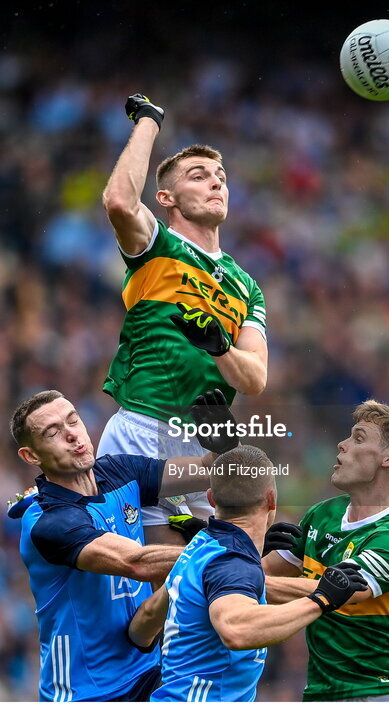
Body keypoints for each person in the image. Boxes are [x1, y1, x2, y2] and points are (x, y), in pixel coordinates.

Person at [97, 93, 269, 544]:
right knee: (166, 580)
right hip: (144, 431)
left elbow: (254, 379)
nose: (216, 184)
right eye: (199, 176)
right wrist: (150, 121)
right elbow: (118, 201)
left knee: (215, 581)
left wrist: (221, 348)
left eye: (221, 177)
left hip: (202, 445)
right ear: (166, 197)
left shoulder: (245, 285)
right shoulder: (158, 247)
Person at [9, 388, 235, 701]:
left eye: (73, 421)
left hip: (149, 670)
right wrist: (223, 549)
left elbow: (207, 470)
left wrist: (224, 444)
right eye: (53, 432)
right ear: (31, 456)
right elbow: (137, 563)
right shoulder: (49, 521)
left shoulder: (118, 471)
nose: (72, 435)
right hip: (87, 690)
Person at [127, 445, 368, 702]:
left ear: (211, 499)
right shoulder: (233, 562)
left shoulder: (200, 546)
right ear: (272, 499)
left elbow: (146, 618)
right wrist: (320, 599)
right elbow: (235, 629)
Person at [262, 401, 389, 702]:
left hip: (388, 692)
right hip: (323, 690)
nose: (341, 445)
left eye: (358, 438)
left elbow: (334, 592)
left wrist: (223, 574)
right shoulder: (322, 514)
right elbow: (264, 573)